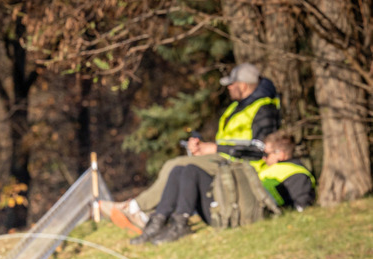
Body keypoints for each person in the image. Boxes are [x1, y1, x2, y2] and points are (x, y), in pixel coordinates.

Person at [102, 61, 282, 236]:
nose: (228, 88)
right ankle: (146, 213)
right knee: (179, 166)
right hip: (224, 160)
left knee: (176, 164)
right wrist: (201, 148)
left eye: (231, 84)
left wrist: (215, 149)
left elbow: (258, 149)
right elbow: (228, 141)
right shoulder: (235, 108)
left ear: (242, 85)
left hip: (240, 166)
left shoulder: (264, 109)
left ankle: (137, 210)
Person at [132, 129, 315, 245]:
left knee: (191, 171)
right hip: (235, 206)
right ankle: (158, 222)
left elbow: (300, 208)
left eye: (266, 154)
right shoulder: (269, 168)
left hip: (239, 215)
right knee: (181, 170)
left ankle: (181, 223)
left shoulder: (296, 174)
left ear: (281, 154)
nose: (263, 158)